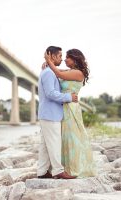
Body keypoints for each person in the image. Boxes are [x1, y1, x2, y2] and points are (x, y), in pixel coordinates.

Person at [44, 48, 96, 178]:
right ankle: (62, 168)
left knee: (72, 138)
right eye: (64, 57)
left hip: (71, 109)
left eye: (68, 57)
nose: (65, 60)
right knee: (63, 138)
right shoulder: (70, 71)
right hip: (63, 107)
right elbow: (57, 72)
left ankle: (73, 168)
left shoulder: (79, 73)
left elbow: (59, 74)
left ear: (75, 59)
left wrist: (48, 60)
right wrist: (47, 65)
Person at [37, 46, 78, 179]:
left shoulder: (48, 71)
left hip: (47, 114)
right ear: (53, 56)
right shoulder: (48, 73)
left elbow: (64, 73)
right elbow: (50, 93)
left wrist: (47, 62)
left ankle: (42, 172)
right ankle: (58, 170)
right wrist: (68, 98)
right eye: (60, 56)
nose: (61, 59)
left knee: (44, 145)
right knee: (54, 143)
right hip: (50, 114)